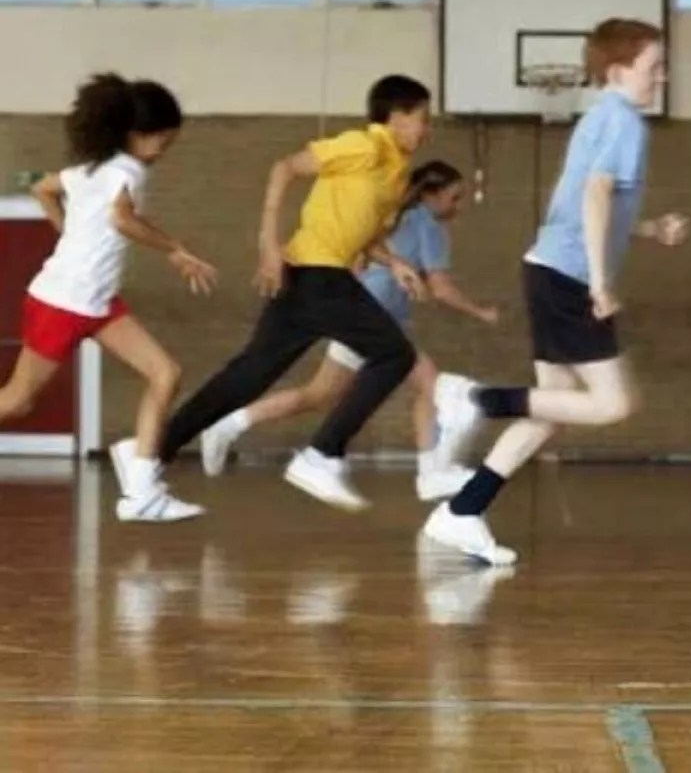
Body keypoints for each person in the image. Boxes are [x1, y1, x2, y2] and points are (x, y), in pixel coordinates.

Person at [424, 18, 689, 565]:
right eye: (653, 68)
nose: (661, 78)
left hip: (549, 270)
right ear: (618, 70)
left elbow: (580, 208)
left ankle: (463, 512)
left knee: (550, 412)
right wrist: (599, 282)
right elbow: (594, 197)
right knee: (616, 403)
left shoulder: (601, 118)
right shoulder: (624, 124)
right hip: (568, 278)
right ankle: (474, 399)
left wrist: (648, 228)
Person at [150, 74, 436, 511]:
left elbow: (363, 232)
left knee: (248, 376)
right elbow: (284, 168)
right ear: (396, 118)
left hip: (309, 279)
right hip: (317, 274)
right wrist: (268, 244)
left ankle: (150, 451)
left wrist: (394, 262)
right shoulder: (363, 145)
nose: (426, 129)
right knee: (394, 354)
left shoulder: (395, 173)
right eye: (422, 119)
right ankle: (322, 455)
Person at [199, 160, 499, 502]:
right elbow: (442, 288)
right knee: (429, 386)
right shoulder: (426, 226)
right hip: (370, 322)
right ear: (431, 195)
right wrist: (481, 311)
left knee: (319, 395)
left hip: (374, 319)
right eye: (454, 197)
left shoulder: (392, 218)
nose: (458, 206)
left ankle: (227, 425)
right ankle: (431, 472)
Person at [0, 73, 216, 523]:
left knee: (165, 372)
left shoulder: (89, 171)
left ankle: (141, 488)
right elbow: (122, 220)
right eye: (162, 142)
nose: (163, 152)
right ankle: (139, 478)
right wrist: (175, 249)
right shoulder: (126, 171)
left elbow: (42, 187)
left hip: (96, 304)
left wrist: (69, 231)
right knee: (16, 402)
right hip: (62, 303)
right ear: (136, 135)